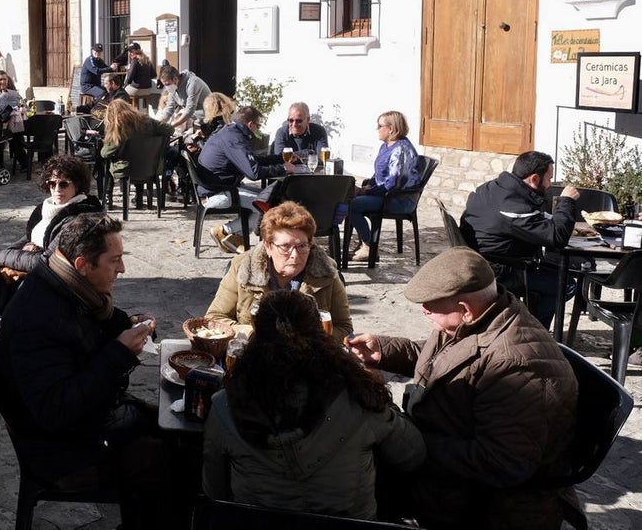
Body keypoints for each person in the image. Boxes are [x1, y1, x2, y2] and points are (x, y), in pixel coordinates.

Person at [346, 247, 578, 530]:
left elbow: (502, 463)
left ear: (464, 310)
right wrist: (384, 351)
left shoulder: (518, 367)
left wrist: (406, 441)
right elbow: (446, 356)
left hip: (484, 503)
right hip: (450, 459)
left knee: (351, 475)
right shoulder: (485, 315)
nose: (424, 310)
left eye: (430, 306)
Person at [0, 213, 164, 530]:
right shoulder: (39, 316)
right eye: (114, 260)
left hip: (88, 422)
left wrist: (123, 324)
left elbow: (87, 334)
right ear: (81, 265)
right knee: (173, 457)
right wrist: (119, 352)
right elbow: (56, 410)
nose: (123, 269)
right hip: (64, 451)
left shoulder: (67, 286)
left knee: (178, 432)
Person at [203, 289, 425, 519]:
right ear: (321, 334)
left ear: (256, 337)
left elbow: (214, 491)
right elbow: (412, 455)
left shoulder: (225, 405)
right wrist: (385, 407)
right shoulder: (358, 396)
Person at [459, 150, 581, 327]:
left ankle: (524, 322)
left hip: (484, 262)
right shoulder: (512, 206)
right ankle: (535, 331)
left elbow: (527, 218)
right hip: (500, 271)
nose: (550, 184)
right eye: (549, 178)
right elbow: (557, 237)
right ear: (534, 179)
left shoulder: (495, 188)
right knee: (565, 284)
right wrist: (566, 201)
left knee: (551, 271)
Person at [205, 201, 353, 338]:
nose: (295, 255)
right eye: (285, 247)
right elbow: (214, 318)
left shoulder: (326, 270)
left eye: (302, 246)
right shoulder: (243, 267)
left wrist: (307, 340)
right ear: (268, 246)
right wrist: (255, 334)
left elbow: (344, 328)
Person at [0, 155, 105, 283]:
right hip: (31, 266)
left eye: (64, 184)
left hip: (54, 280)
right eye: (52, 183)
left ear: (77, 185)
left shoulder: (80, 217)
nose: (57, 189)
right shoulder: (48, 208)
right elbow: (27, 237)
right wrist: (3, 255)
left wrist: (2, 257)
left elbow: (45, 260)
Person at [198, 106, 287, 254]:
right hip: (217, 194)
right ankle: (224, 231)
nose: (257, 129)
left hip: (215, 188)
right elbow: (254, 172)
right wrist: (284, 169)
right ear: (250, 125)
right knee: (270, 204)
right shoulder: (235, 139)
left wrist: (279, 159)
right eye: (258, 126)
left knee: (267, 197)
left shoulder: (229, 132)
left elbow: (250, 160)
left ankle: (234, 238)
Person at [348, 110, 422, 263]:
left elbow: (392, 183)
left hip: (399, 200)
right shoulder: (386, 146)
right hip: (386, 194)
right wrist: (368, 187)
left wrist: (368, 191)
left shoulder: (400, 150)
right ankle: (364, 243)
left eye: (379, 125)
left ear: (391, 128)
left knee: (352, 205)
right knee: (347, 196)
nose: (377, 128)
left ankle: (369, 247)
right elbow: (379, 175)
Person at [100, 99, 174, 196]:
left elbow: (105, 153)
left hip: (127, 170)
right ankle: (139, 197)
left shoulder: (119, 127)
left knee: (106, 162)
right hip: (151, 167)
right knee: (138, 155)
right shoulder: (147, 120)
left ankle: (108, 197)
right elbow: (170, 130)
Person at [155, 66, 211, 132]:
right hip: (197, 119)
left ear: (175, 79)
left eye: (167, 84)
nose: (166, 87)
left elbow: (189, 111)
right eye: (164, 85)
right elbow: (169, 110)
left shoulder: (193, 83)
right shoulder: (173, 88)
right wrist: (157, 125)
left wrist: (171, 126)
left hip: (209, 117)